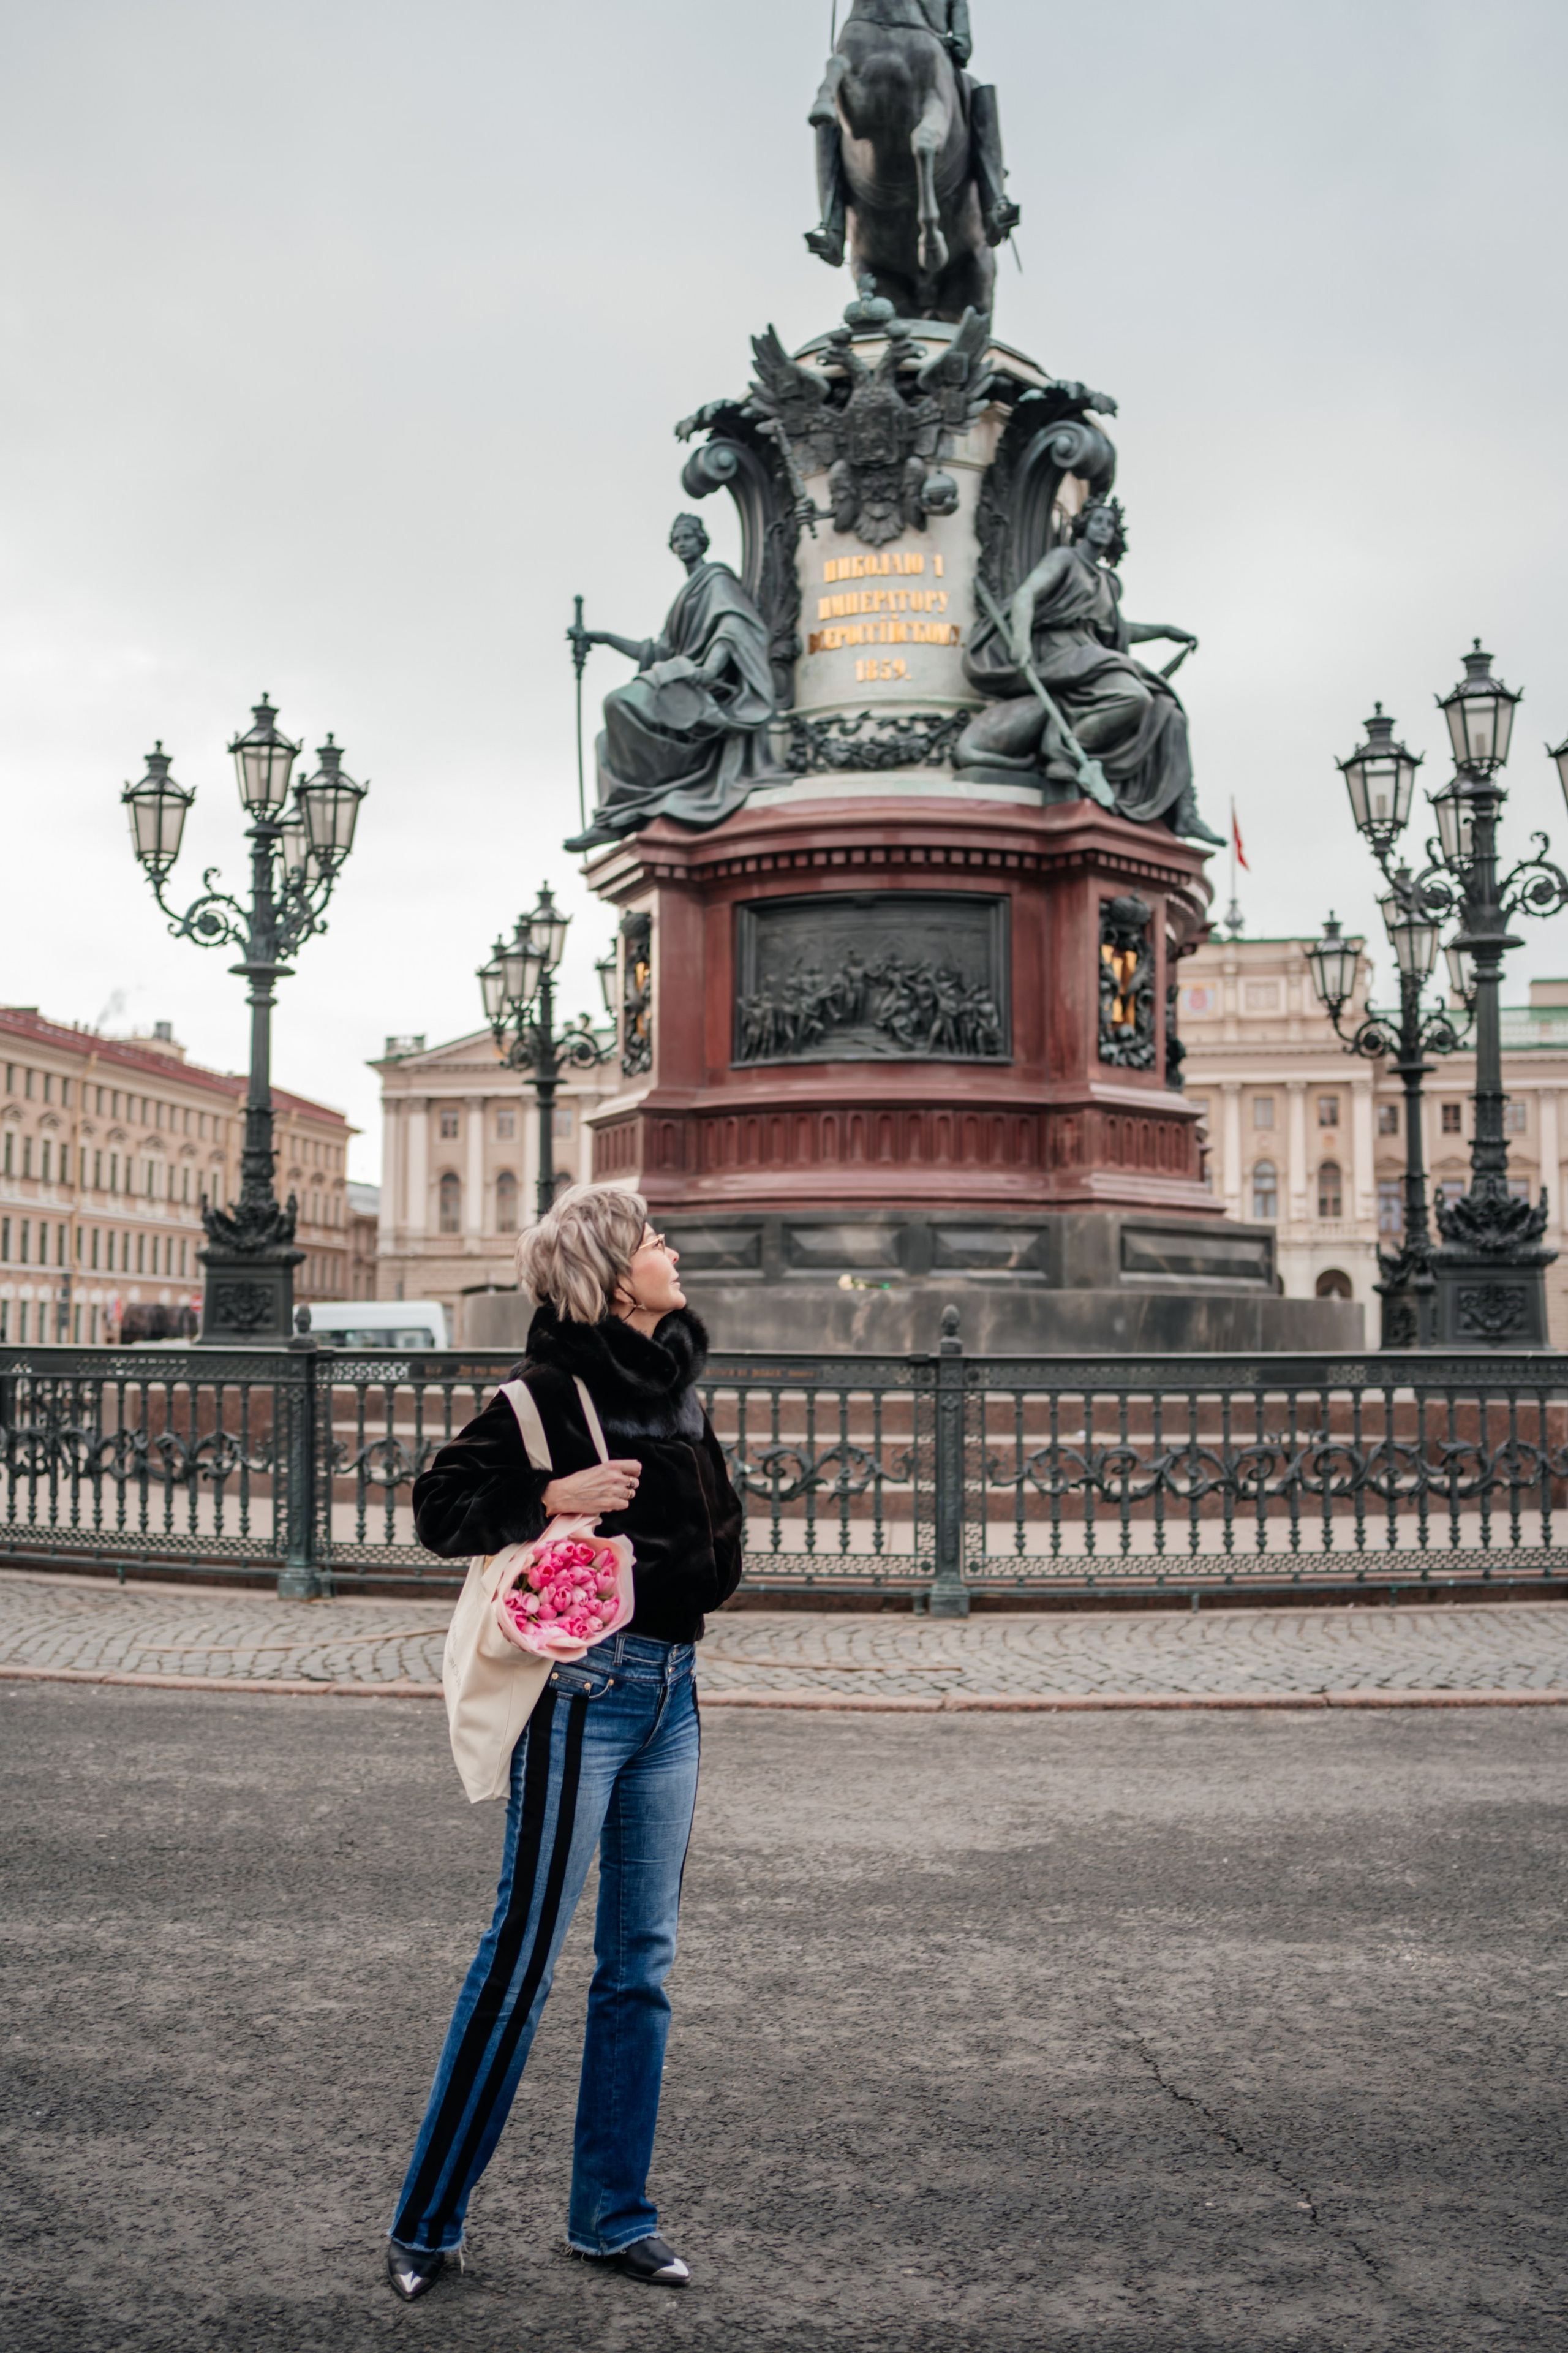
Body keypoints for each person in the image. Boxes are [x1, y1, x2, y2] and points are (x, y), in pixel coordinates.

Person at [385, 1182, 743, 2301]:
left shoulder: (678, 1385)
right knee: (521, 1961)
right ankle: (428, 2223)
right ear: (607, 1271)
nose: (670, 1251)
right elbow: (441, 1509)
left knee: (640, 1966)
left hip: (673, 1693)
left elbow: (710, 1530)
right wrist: (550, 1491)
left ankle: (612, 2215)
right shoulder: (542, 1394)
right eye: (651, 1240)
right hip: (583, 1694)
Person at [955, 496, 1225, 844]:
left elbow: (1119, 630)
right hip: (1060, 652)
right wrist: (1021, 643)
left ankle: (1185, 810)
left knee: (1170, 712)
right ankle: (1063, 750)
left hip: (1090, 656)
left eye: (1110, 525)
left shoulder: (1108, 583)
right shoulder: (1064, 559)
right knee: (1135, 697)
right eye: (1097, 521)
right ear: (1082, 526)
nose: (1103, 528)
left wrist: (1164, 631)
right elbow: (1026, 597)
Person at [564, 514, 782, 852]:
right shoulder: (688, 591)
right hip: (677, 680)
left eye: (688, 537)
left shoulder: (716, 579)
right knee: (606, 741)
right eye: (677, 539)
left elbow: (732, 627)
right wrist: (604, 638)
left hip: (698, 687)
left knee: (617, 703)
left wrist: (710, 670)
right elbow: (657, 651)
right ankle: (615, 817)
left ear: (702, 541)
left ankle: (633, 804)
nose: (682, 544)